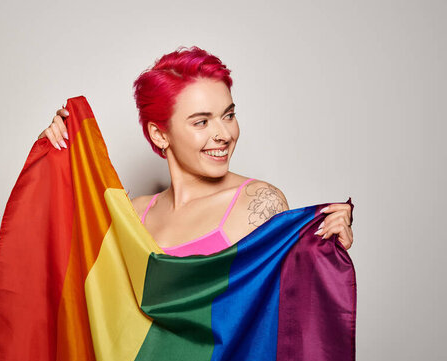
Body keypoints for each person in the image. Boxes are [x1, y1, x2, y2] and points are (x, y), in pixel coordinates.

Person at [37, 46, 353, 255]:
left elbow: (285, 315)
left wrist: (325, 252)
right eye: (201, 122)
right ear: (160, 135)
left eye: (228, 115)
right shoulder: (133, 214)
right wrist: (54, 157)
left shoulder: (259, 203)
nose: (223, 134)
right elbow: (76, 278)